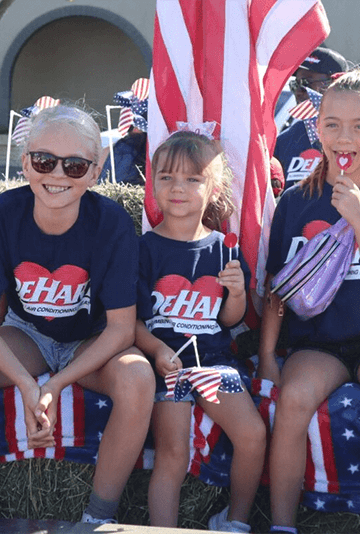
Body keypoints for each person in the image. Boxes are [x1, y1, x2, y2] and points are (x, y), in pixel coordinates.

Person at [0, 104, 155, 524]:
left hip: (90, 341)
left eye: (74, 165)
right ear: (25, 163)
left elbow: (121, 329)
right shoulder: (1, 213)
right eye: (44, 160)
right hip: (28, 333)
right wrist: (24, 381)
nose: (57, 175)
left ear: (96, 171)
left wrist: (55, 385)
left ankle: (97, 518)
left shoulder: (110, 221)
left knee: (138, 377)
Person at [259, 66, 360, 534]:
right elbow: (277, 288)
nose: (343, 136)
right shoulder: (294, 201)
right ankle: (283, 525)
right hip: (317, 344)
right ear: (318, 127)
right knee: (292, 398)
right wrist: (269, 354)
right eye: (332, 124)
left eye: (359, 126)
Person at [135, 130, 266, 532]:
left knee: (253, 435)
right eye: (167, 177)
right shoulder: (143, 249)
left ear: (214, 188)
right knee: (172, 453)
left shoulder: (224, 250)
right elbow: (131, 321)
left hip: (214, 363)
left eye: (193, 179)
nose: (178, 188)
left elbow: (228, 319)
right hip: (166, 366)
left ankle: (236, 521)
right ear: (152, 182)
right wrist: (157, 350)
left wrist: (238, 293)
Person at [275, 47, 350, 190]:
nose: (298, 91)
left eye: (305, 84)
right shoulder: (284, 141)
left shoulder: (357, 137)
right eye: (296, 84)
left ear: (335, 84)